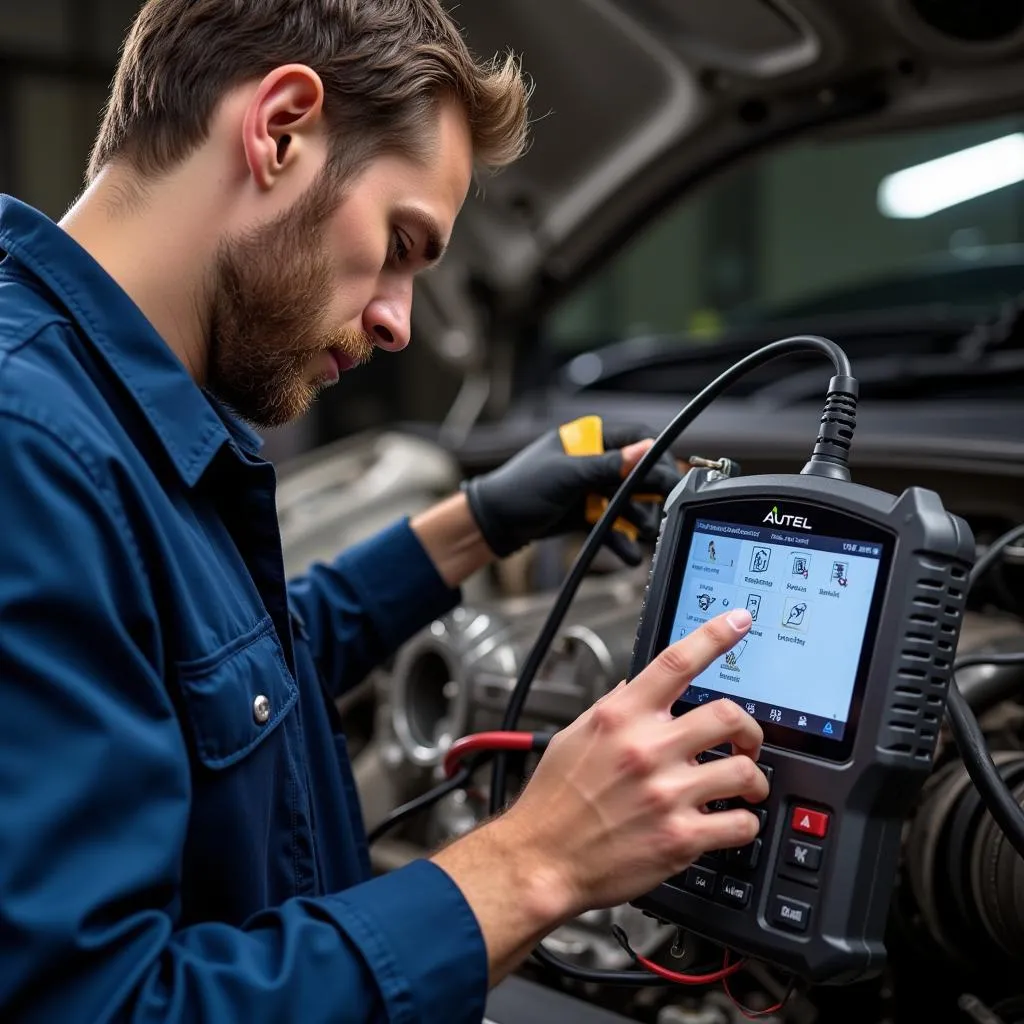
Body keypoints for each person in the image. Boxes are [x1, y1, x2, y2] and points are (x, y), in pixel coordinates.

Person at [0, 1, 767, 1021]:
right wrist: (533, 862)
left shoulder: (114, 417)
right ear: (278, 128)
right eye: (401, 242)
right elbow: (96, 1005)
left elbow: (233, 681)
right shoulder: (33, 452)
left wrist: (481, 520)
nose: (399, 322)